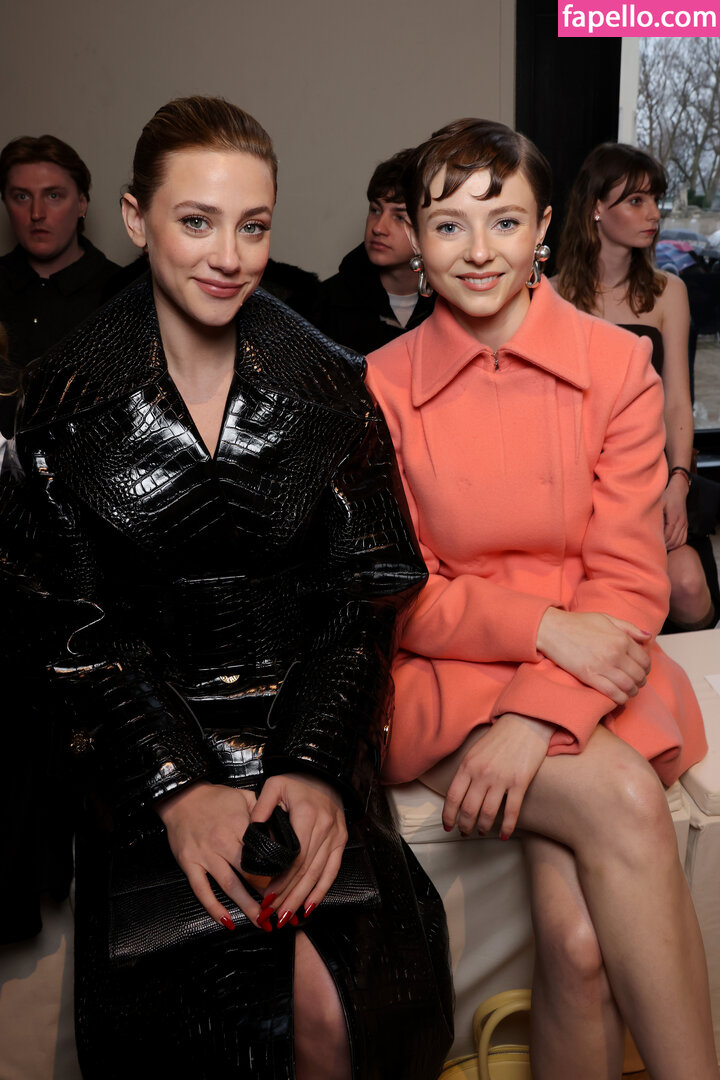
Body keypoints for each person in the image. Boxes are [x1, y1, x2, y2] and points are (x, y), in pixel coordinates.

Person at [0, 97, 452, 1080]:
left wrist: (319, 764)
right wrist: (174, 787)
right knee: (211, 1029)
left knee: (344, 1012)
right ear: (135, 219)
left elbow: (363, 595)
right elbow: (71, 631)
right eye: (197, 221)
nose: (229, 257)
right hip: (142, 741)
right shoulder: (57, 402)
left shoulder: (330, 382)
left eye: (254, 226)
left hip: (308, 723)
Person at [366, 118, 718, 1080]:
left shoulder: (616, 364)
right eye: (448, 225)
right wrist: (544, 629)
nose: (478, 251)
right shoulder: (380, 387)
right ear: (416, 234)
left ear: (545, 227)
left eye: (506, 221)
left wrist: (534, 716)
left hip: (595, 672)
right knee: (623, 800)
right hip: (446, 680)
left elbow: (632, 579)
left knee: (580, 948)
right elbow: (400, 593)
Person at [556, 142, 718, 631]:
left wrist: (679, 481)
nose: (654, 215)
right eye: (636, 201)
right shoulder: (551, 295)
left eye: (655, 200)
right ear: (596, 208)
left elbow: (678, 403)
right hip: (577, 484)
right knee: (590, 602)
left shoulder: (669, 292)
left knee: (687, 585)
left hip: (652, 476)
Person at [0, 135, 120, 435]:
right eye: (21, 197)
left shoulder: (121, 292)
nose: (36, 213)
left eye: (53, 195)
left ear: (81, 204)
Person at [308, 148, 434, 353]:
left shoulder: (454, 303)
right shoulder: (324, 304)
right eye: (375, 210)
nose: (378, 228)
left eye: (399, 217)